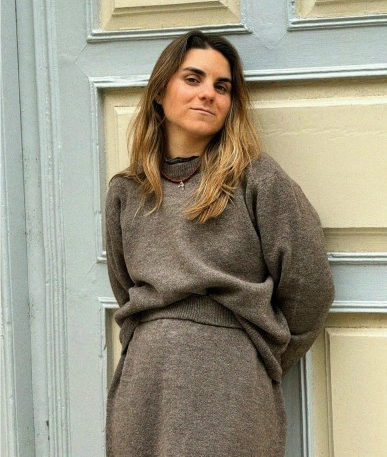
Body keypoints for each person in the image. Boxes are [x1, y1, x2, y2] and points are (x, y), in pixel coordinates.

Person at [105, 30, 335, 457]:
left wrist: (257, 354)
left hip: (232, 384)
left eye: (222, 86)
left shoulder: (258, 179)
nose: (208, 94)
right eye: (193, 79)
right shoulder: (127, 191)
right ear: (160, 91)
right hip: (147, 386)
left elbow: (310, 288)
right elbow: (125, 288)